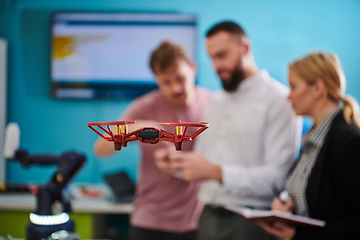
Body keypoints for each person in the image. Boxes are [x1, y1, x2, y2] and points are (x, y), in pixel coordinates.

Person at [154, 21, 302, 240]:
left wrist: (217, 172)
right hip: (207, 217)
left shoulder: (280, 101)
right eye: (211, 58)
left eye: (222, 55)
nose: (215, 66)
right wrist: (178, 163)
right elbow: (207, 162)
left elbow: (278, 179)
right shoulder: (216, 101)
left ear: (245, 48)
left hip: (252, 223)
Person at [93, 41, 212, 240]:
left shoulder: (214, 104)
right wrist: (138, 128)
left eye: (180, 78)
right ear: (157, 79)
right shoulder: (145, 107)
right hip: (150, 221)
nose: (176, 88)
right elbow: (101, 148)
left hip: (197, 222)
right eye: (166, 82)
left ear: (193, 67)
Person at [258, 52, 360, 240]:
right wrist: (286, 203)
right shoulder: (314, 138)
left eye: (293, 87)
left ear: (317, 88)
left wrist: (301, 235)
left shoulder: (349, 140)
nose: (288, 96)